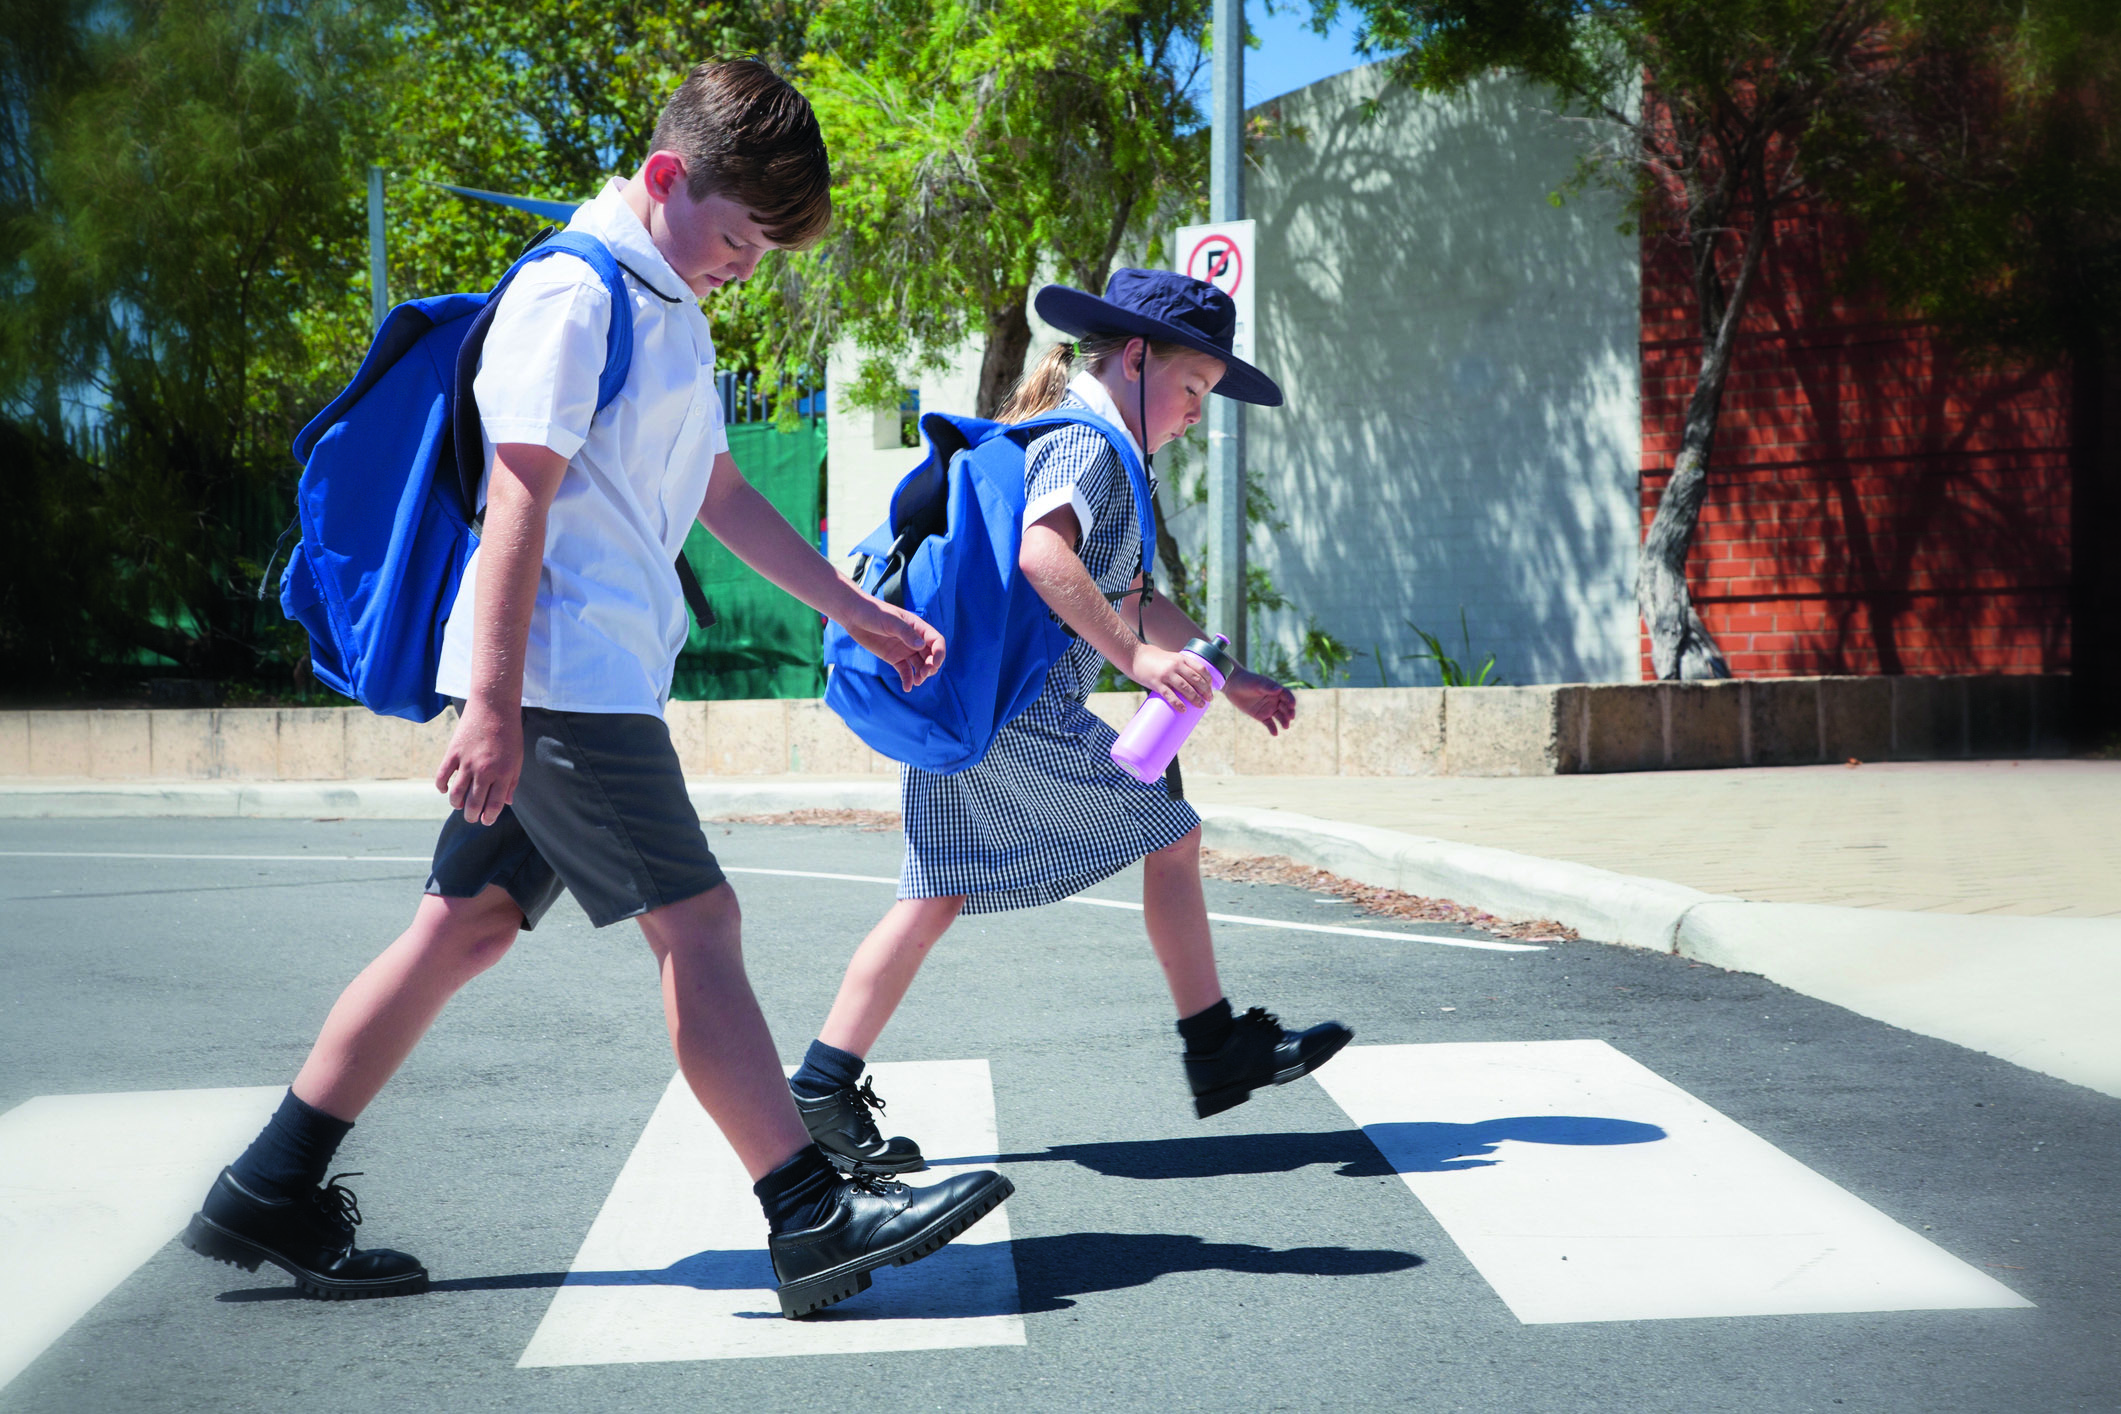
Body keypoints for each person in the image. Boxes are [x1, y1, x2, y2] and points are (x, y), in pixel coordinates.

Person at [180, 60, 1010, 1321]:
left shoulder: (667, 298)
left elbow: (717, 494)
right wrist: (496, 705)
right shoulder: (574, 296)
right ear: (668, 179)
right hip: (563, 685)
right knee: (702, 925)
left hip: (587, 676)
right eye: (739, 235)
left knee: (458, 931)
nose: (747, 263)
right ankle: (810, 1214)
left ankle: (269, 1182)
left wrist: (862, 612)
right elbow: (519, 499)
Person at [790, 269, 1353, 1175]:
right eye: (1191, 388)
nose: (1194, 414)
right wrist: (1134, 661)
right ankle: (1214, 1046)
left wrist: (1231, 677)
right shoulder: (1089, 445)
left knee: (931, 894)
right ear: (1134, 358)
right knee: (1171, 833)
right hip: (1017, 711)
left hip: (966, 704)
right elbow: (1043, 554)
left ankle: (820, 1087)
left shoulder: (1091, 445)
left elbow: (1132, 595)